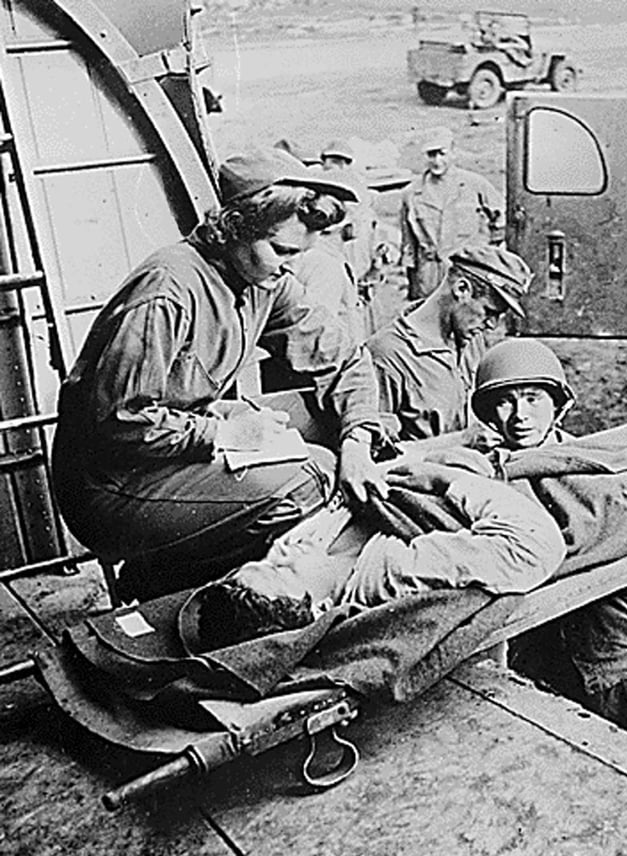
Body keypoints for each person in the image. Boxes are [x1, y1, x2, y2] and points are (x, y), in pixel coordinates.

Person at [52, 148, 388, 603]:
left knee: (329, 419)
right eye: (281, 250)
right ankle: (165, 586)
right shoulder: (168, 289)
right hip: (109, 486)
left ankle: (219, 569)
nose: (289, 264)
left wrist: (358, 441)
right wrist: (223, 432)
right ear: (235, 227)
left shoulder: (263, 281)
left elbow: (343, 357)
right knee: (310, 477)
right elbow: (119, 422)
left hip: (170, 449)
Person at [470, 338, 627, 745]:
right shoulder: (484, 480)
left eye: (532, 398)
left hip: (612, 654)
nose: (519, 415)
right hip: (539, 656)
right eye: (505, 401)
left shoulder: (595, 470)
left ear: (557, 404)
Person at [192, 461, 566, 651]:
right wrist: (443, 477)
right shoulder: (391, 575)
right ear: (318, 610)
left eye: (266, 559)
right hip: (496, 489)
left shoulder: (309, 553)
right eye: (281, 569)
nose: (281, 551)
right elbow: (533, 548)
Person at [367, 244, 532, 442]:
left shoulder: (471, 339)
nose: (491, 324)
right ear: (462, 289)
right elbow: (373, 454)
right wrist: (460, 440)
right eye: (489, 312)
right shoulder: (387, 356)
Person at [400, 126, 504, 300]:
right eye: (431, 155)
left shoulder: (475, 184)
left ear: (453, 153)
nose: (437, 160)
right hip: (430, 273)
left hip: (468, 269)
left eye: (442, 153)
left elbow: (501, 218)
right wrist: (413, 286)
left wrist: (488, 253)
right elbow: (408, 245)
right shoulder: (412, 193)